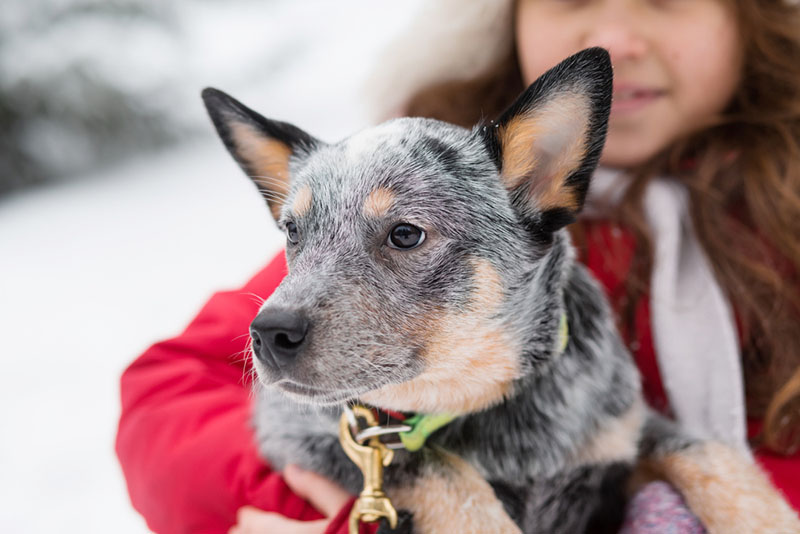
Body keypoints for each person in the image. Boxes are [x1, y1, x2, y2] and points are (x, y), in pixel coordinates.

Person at [116, 1, 800, 532]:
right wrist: (352, 512)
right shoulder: (402, 176)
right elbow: (166, 394)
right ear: (507, 18)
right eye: (568, 0)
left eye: (666, 0)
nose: (620, 37)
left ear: (751, 15)